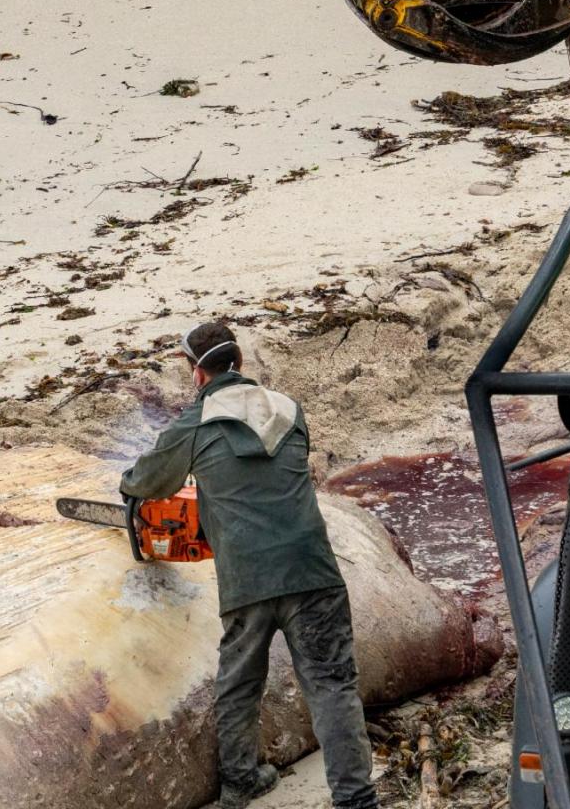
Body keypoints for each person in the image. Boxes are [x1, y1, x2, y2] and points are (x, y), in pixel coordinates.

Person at [120, 322, 379, 809]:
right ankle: (357, 799)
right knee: (331, 685)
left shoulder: (194, 422)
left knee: (239, 684)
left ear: (197, 373)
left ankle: (239, 782)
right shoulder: (289, 410)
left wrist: (131, 485)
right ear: (239, 362)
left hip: (247, 580)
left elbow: (147, 480)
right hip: (312, 569)